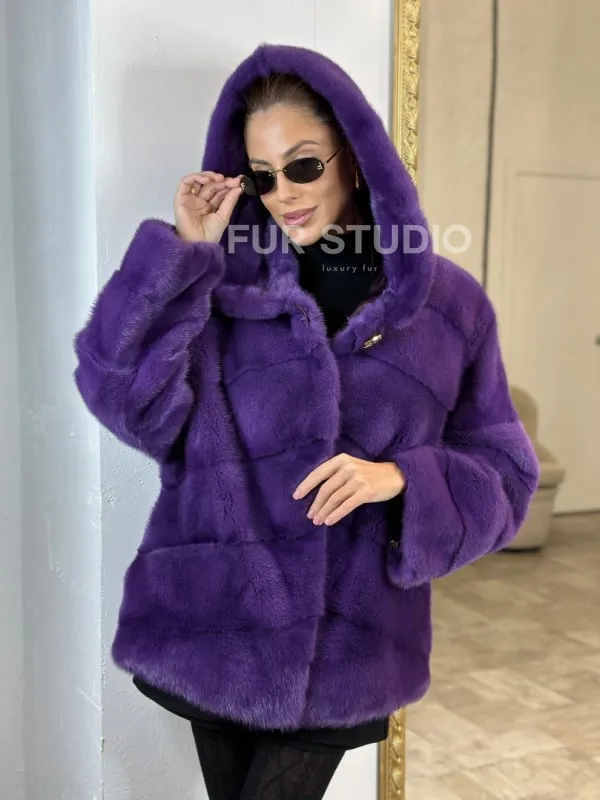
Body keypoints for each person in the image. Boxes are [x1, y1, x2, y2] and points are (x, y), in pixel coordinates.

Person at [73, 43, 540, 800]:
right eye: (262, 176)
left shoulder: (449, 308)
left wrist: (403, 479)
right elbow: (127, 401)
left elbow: (507, 473)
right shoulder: (223, 286)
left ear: (354, 156)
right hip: (214, 622)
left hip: (347, 643)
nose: (282, 194)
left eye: (302, 166)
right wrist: (187, 255)